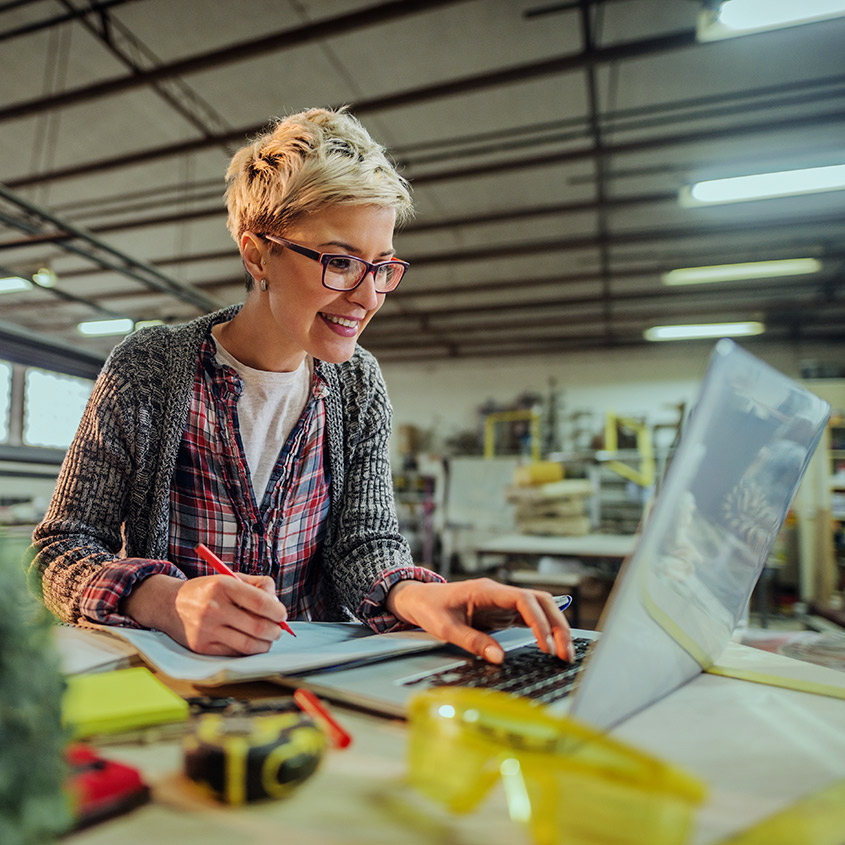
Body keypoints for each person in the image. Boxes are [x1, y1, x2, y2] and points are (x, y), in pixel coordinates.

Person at [29, 107, 573, 665]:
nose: (367, 297)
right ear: (257, 252)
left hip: (312, 689)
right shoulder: (149, 371)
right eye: (339, 262)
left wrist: (420, 597)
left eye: (381, 267)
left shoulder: (359, 385)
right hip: (175, 692)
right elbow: (57, 552)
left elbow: (365, 543)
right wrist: (164, 600)